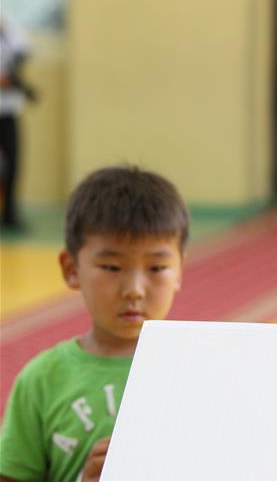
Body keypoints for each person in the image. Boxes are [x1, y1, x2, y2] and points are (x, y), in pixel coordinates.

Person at [0, 166, 189, 482]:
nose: (134, 289)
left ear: (180, 269)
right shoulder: (43, 380)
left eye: (156, 267)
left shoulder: (200, 367)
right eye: (112, 266)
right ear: (71, 269)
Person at [0, 16, 36, 231]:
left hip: (9, 111)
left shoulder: (10, 32)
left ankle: (9, 213)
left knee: (13, 162)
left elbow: (23, 50)